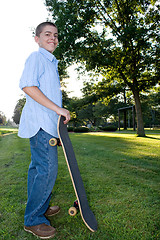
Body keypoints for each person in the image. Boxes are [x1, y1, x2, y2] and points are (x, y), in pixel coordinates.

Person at [18, 22, 70, 239]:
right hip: (39, 124)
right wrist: (59, 109)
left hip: (47, 125)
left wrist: (56, 126)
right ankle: (33, 220)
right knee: (46, 171)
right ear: (37, 38)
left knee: (37, 171)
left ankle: (39, 207)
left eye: (56, 35)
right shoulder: (37, 57)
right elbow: (28, 86)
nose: (53, 38)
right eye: (47, 34)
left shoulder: (51, 62)